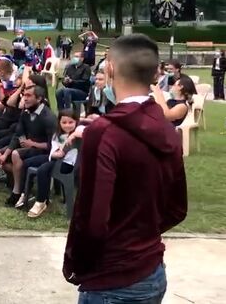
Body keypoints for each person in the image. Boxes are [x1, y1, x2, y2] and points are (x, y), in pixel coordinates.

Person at [64, 34, 187, 304]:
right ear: (155, 74)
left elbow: (92, 217)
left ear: (109, 68)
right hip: (152, 270)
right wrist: (141, 236)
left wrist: (80, 263)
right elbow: (177, 208)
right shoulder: (167, 132)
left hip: (111, 279)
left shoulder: (104, 132)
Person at [0, 84, 56, 207]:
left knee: (16, 154)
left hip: (44, 152)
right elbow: (18, 135)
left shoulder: (48, 118)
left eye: (28, 95)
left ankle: (17, 192)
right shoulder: (26, 113)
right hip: (28, 148)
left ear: (39, 99)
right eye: (24, 95)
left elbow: (53, 146)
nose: (24, 98)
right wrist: (5, 154)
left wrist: (33, 144)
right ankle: (23, 182)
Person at [27, 109, 83, 218]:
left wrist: (73, 135)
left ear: (76, 121)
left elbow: (85, 131)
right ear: (59, 123)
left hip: (73, 165)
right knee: (42, 169)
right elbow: (53, 153)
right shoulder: (57, 136)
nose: (67, 125)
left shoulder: (79, 129)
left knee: (43, 169)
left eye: (71, 122)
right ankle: (40, 200)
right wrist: (57, 154)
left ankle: (41, 201)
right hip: (59, 162)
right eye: (64, 122)